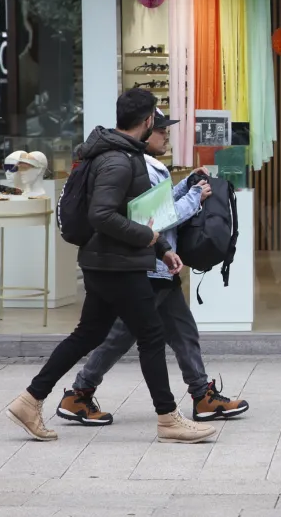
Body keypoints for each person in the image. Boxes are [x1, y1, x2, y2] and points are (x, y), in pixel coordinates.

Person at [6, 89, 216, 444]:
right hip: (116, 263)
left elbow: (133, 211)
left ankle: (30, 400)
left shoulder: (119, 153)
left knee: (88, 334)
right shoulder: (119, 161)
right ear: (148, 120)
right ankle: (168, 419)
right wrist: (147, 239)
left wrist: (162, 247)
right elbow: (102, 215)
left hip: (108, 260)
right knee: (150, 336)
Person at [55, 108, 250, 426]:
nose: (166, 135)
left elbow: (155, 205)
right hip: (146, 265)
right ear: (146, 129)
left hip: (155, 264)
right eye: (161, 130)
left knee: (182, 331)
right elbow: (154, 218)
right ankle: (78, 393)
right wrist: (195, 198)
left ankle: (202, 395)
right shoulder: (142, 165)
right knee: (121, 334)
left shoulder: (141, 164)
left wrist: (188, 184)